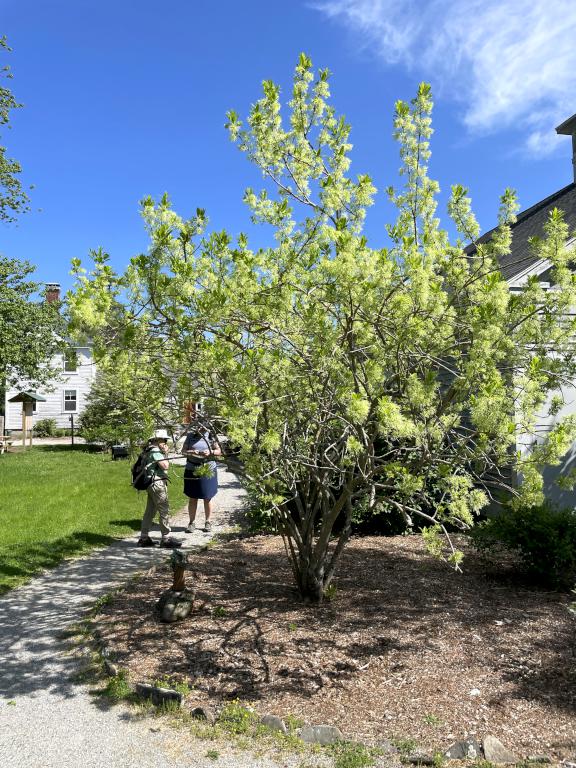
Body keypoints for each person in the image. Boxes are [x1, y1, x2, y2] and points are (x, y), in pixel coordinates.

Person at [138, 430, 181, 548]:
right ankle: (166, 538)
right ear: (157, 440)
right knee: (164, 510)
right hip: (157, 484)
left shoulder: (148, 450)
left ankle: (144, 537)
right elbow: (165, 466)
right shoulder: (156, 451)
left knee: (150, 511)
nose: (165, 442)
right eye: (164, 440)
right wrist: (166, 453)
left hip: (150, 484)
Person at [182, 426, 222, 532]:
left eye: (201, 425)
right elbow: (183, 451)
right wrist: (191, 452)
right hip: (192, 469)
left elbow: (219, 451)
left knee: (207, 497)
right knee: (192, 497)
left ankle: (208, 522)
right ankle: (191, 523)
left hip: (208, 469)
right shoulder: (190, 436)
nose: (199, 427)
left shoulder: (211, 436)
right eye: (197, 425)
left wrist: (210, 452)